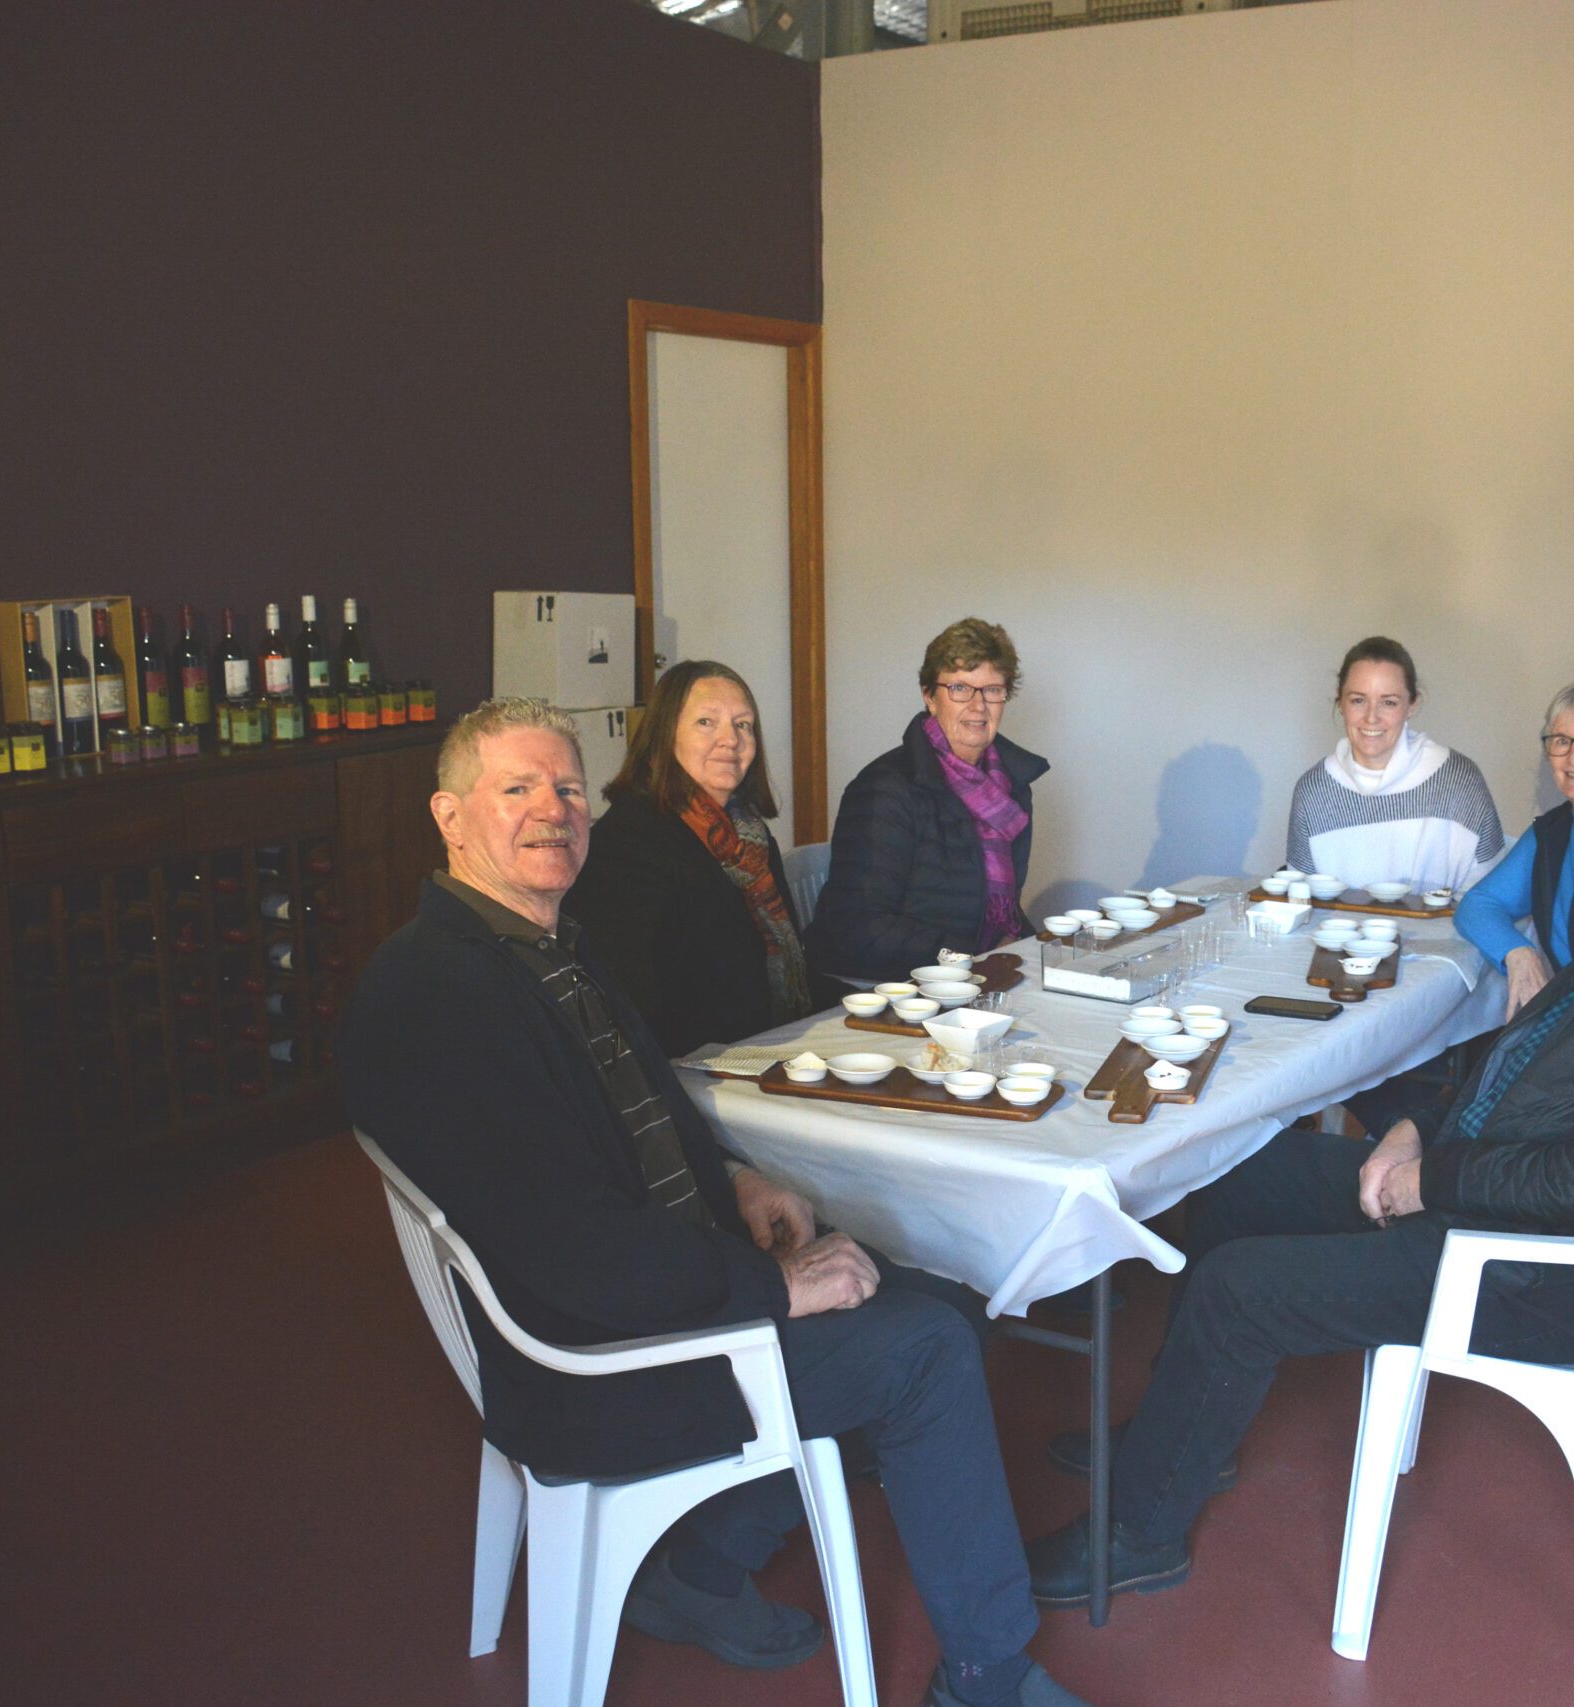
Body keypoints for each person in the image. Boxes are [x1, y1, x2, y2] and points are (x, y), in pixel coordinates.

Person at [338, 698, 1090, 1707]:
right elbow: (573, 1256)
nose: (551, 810)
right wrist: (774, 1288)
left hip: (648, 1287)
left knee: (945, 1298)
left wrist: (736, 1176)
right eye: (516, 788)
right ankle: (987, 1676)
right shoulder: (436, 995)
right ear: (449, 815)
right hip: (595, 1362)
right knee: (925, 1348)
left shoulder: (540, 942)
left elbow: (648, 1096)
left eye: (566, 788)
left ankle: (695, 1574)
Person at [1026, 716, 1574, 1609]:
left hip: (1542, 1267)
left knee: (1238, 1288)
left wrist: (1431, 1180)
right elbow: (1527, 1053)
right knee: (1230, 1175)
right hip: (1488, 1185)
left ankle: (1141, 1533)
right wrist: (1414, 1127)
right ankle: (1186, 1438)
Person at [561, 660, 811, 1059]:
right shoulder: (627, 843)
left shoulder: (750, 836)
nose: (730, 739)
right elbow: (636, 1005)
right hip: (688, 1063)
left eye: (743, 725)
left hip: (762, 1043)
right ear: (665, 736)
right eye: (706, 723)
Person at [805, 618, 1048, 990]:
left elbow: (1003, 907)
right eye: (960, 688)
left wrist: (1036, 951)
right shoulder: (885, 787)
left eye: (992, 689)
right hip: (884, 987)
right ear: (929, 697)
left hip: (968, 975)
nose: (978, 706)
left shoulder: (1012, 786)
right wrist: (973, 958)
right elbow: (860, 925)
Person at [1456, 679, 1574, 1023]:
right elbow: (1478, 905)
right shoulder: (1551, 832)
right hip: (1570, 1019)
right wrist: (1517, 951)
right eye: (1562, 741)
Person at [1284, 636, 1503, 896]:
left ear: (1412, 705)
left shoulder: (1458, 780)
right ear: (1340, 703)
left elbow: (1492, 898)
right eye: (1358, 700)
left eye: (1389, 702)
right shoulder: (1313, 791)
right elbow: (1300, 901)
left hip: (1443, 936)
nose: (1371, 717)